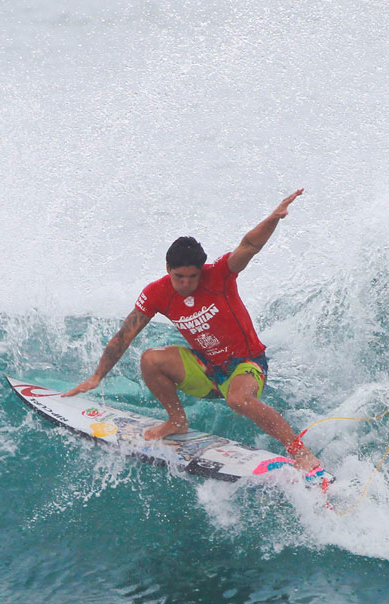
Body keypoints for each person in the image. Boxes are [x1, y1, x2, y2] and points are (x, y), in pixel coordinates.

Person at [64, 189, 328, 479]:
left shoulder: (219, 276)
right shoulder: (157, 293)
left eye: (193, 276)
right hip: (206, 368)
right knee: (151, 360)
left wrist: (274, 218)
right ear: (168, 270)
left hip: (247, 365)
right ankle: (177, 420)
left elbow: (249, 245)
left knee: (238, 400)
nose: (186, 283)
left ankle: (300, 451)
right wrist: (98, 376)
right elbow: (124, 336)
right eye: (179, 277)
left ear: (201, 270)